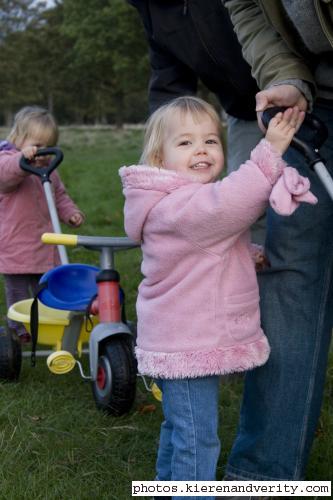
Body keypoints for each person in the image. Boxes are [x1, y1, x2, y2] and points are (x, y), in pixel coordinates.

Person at [119, 96, 313, 498]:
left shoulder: (175, 204)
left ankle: (163, 490)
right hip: (187, 343)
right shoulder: (180, 206)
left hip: (180, 338)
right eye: (186, 143)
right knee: (197, 439)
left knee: (179, 429)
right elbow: (230, 205)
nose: (202, 150)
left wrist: (248, 256)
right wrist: (269, 152)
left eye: (211, 140)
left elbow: (207, 251)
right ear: (159, 157)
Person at [222, 0, 333, 481]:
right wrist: (288, 77)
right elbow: (248, 9)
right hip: (316, 102)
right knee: (289, 270)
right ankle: (262, 477)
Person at [127, 0, 266, 243]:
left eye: (210, 142)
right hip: (243, 109)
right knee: (249, 206)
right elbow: (169, 80)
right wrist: (156, 166)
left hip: (300, 89)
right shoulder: (151, 8)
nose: (200, 149)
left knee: (307, 202)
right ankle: (252, 265)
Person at [0, 106, 84, 343]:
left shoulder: (49, 171)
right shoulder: (8, 161)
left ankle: (48, 323)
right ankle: (18, 328)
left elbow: (60, 197)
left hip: (46, 244)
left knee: (46, 287)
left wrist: (71, 214)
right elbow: (5, 175)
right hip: (16, 243)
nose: (43, 153)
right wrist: (21, 160)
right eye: (38, 145)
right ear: (18, 138)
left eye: (49, 146)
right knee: (17, 290)